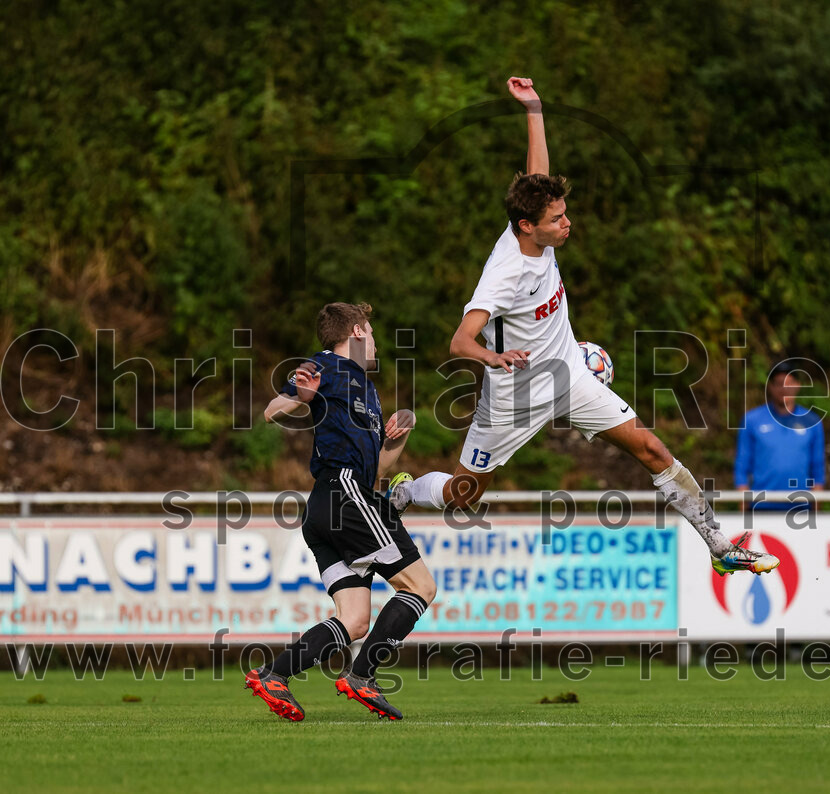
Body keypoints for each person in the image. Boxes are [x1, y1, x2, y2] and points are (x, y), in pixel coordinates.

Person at [388, 77, 778, 577]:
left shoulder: (534, 227)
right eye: (557, 219)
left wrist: (534, 109)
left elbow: (537, 173)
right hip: (513, 397)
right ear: (527, 227)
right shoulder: (504, 274)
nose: (566, 224)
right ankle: (403, 491)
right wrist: (493, 357)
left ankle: (720, 546)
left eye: (565, 213)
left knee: (652, 448)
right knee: (461, 497)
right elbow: (460, 340)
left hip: (570, 374)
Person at [244, 301, 436, 721]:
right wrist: (299, 399)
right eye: (372, 331)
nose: (376, 341)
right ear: (358, 332)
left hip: (330, 506)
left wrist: (397, 441)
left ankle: (273, 675)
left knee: (353, 621)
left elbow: (378, 471)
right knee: (420, 586)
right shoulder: (327, 366)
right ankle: (362, 676)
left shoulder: (365, 389)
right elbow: (272, 410)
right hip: (344, 494)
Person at [734, 361, 825, 510]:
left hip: (801, 508)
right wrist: (742, 502)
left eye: (789, 383)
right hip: (761, 506)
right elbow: (742, 465)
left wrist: (817, 506)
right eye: (779, 383)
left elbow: (818, 468)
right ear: (770, 387)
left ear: (797, 385)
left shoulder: (812, 421)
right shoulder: (752, 420)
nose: (784, 388)